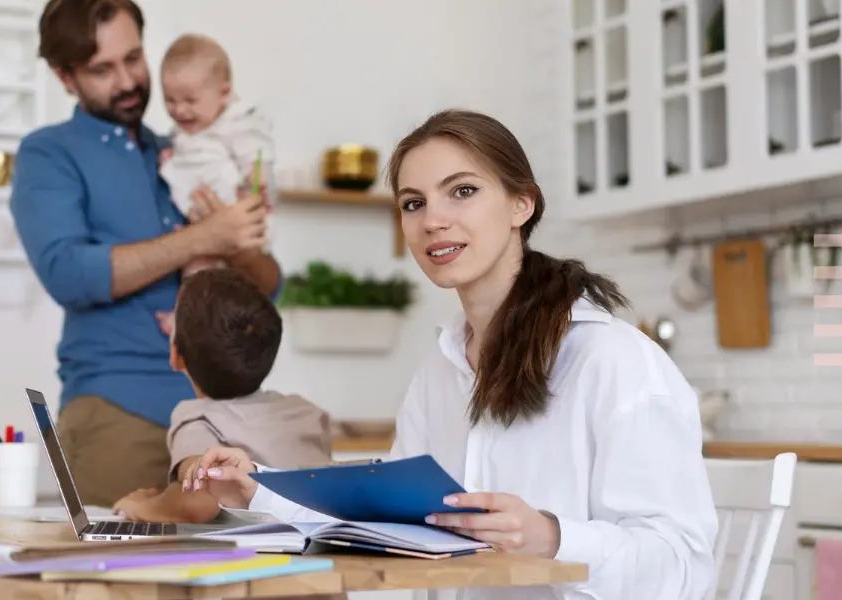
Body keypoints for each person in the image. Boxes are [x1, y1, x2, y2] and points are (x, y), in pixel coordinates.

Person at [178, 110, 719, 600]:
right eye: (413, 203)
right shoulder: (441, 370)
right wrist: (259, 489)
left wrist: (552, 537)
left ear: (521, 203)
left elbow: (684, 570)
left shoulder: (614, 361)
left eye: (461, 191)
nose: (432, 219)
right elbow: (385, 527)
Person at [10, 0, 282, 508]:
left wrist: (238, 238)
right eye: (103, 69)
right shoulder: (48, 153)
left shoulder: (184, 151)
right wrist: (202, 238)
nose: (128, 80)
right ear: (64, 77)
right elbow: (69, 273)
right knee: (125, 575)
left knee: (243, 579)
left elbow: (267, 288)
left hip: (224, 416)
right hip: (121, 411)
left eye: (133, 58)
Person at [110, 268, 331, 523]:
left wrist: (139, 508)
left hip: (261, 556)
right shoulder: (306, 413)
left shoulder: (197, 419)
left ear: (176, 355)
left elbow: (198, 502)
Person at [152, 32, 278, 333]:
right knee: (195, 270)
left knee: (213, 277)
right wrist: (170, 159)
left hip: (236, 216)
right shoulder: (190, 128)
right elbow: (186, 156)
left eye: (190, 101)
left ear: (223, 93)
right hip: (202, 222)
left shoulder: (238, 122)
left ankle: (195, 322)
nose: (179, 110)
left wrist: (257, 181)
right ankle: (186, 319)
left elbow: (259, 153)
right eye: (170, 100)